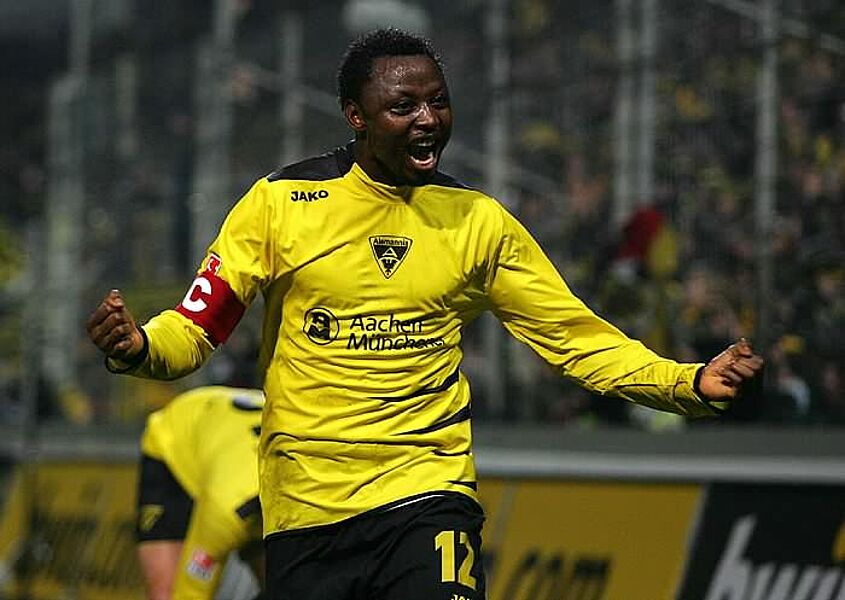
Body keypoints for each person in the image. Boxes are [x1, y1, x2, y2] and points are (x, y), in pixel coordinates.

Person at [88, 27, 764, 600]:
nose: (427, 119)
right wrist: (139, 347)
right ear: (355, 115)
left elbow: (574, 337)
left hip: (428, 494)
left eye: (438, 101)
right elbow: (197, 327)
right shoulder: (279, 204)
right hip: (305, 511)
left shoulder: (477, 222)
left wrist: (685, 382)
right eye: (402, 105)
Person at [136, 385, 266, 600]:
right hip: (179, 440)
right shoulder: (225, 512)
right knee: (167, 594)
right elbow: (190, 592)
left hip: (233, 442)